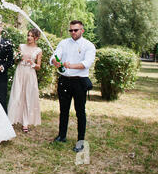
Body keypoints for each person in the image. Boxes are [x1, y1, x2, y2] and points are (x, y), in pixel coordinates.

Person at [50, 20, 96, 152]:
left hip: (80, 82)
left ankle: (80, 141)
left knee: (80, 112)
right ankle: (61, 136)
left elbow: (86, 63)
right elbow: (56, 55)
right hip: (64, 80)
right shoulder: (64, 43)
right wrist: (55, 61)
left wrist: (70, 65)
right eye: (71, 30)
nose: (73, 33)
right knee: (63, 110)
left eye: (76, 30)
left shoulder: (89, 45)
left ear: (82, 30)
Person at [7, 28, 43, 133]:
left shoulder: (38, 50)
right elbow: (15, 59)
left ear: (36, 38)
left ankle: (25, 122)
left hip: (30, 73)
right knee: (16, 94)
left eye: (31, 36)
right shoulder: (21, 46)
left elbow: (38, 66)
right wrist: (18, 58)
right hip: (20, 71)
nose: (29, 38)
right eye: (28, 35)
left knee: (28, 96)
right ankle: (11, 120)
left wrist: (32, 63)